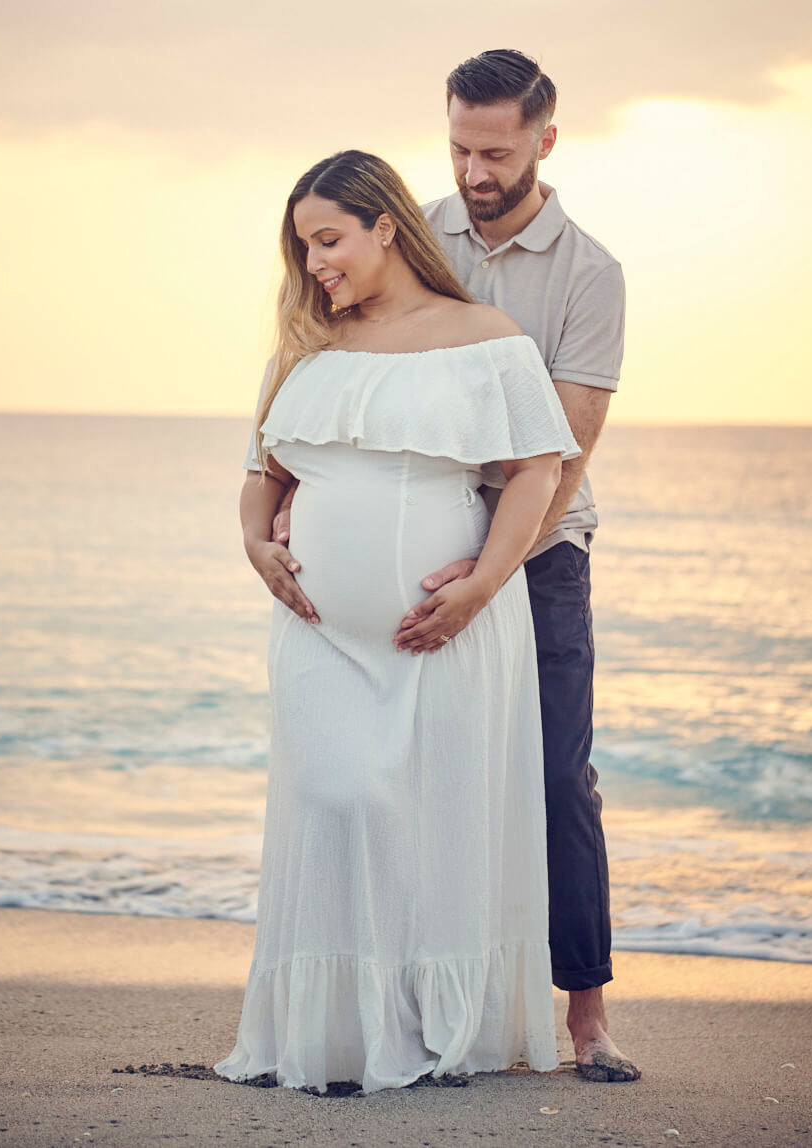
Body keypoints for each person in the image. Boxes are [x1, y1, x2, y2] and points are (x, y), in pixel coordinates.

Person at [215, 149, 581, 1094]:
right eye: (302, 247)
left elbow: (538, 470)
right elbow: (265, 476)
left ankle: (431, 1027)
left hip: (446, 629)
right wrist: (257, 548)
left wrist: (484, 586)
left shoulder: (483, 336)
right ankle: (342, 1031)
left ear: (386, 226)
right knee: (337, 799)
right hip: (317, 631)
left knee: (426, 819)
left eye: (328, 239)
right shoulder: (307, 346)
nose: (315, 263)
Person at [394, 49, 639, 1084]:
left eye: (492, 149)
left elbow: (567, 447)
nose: (471, 168)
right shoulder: (411, 238)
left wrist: (486, 571)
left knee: (552, 778)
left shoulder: (590, 274)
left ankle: (584, 1019)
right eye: (457, 145)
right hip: (418, 536)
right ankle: (423, 1002)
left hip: (541, 554)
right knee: (415, 770)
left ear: (545, 138)